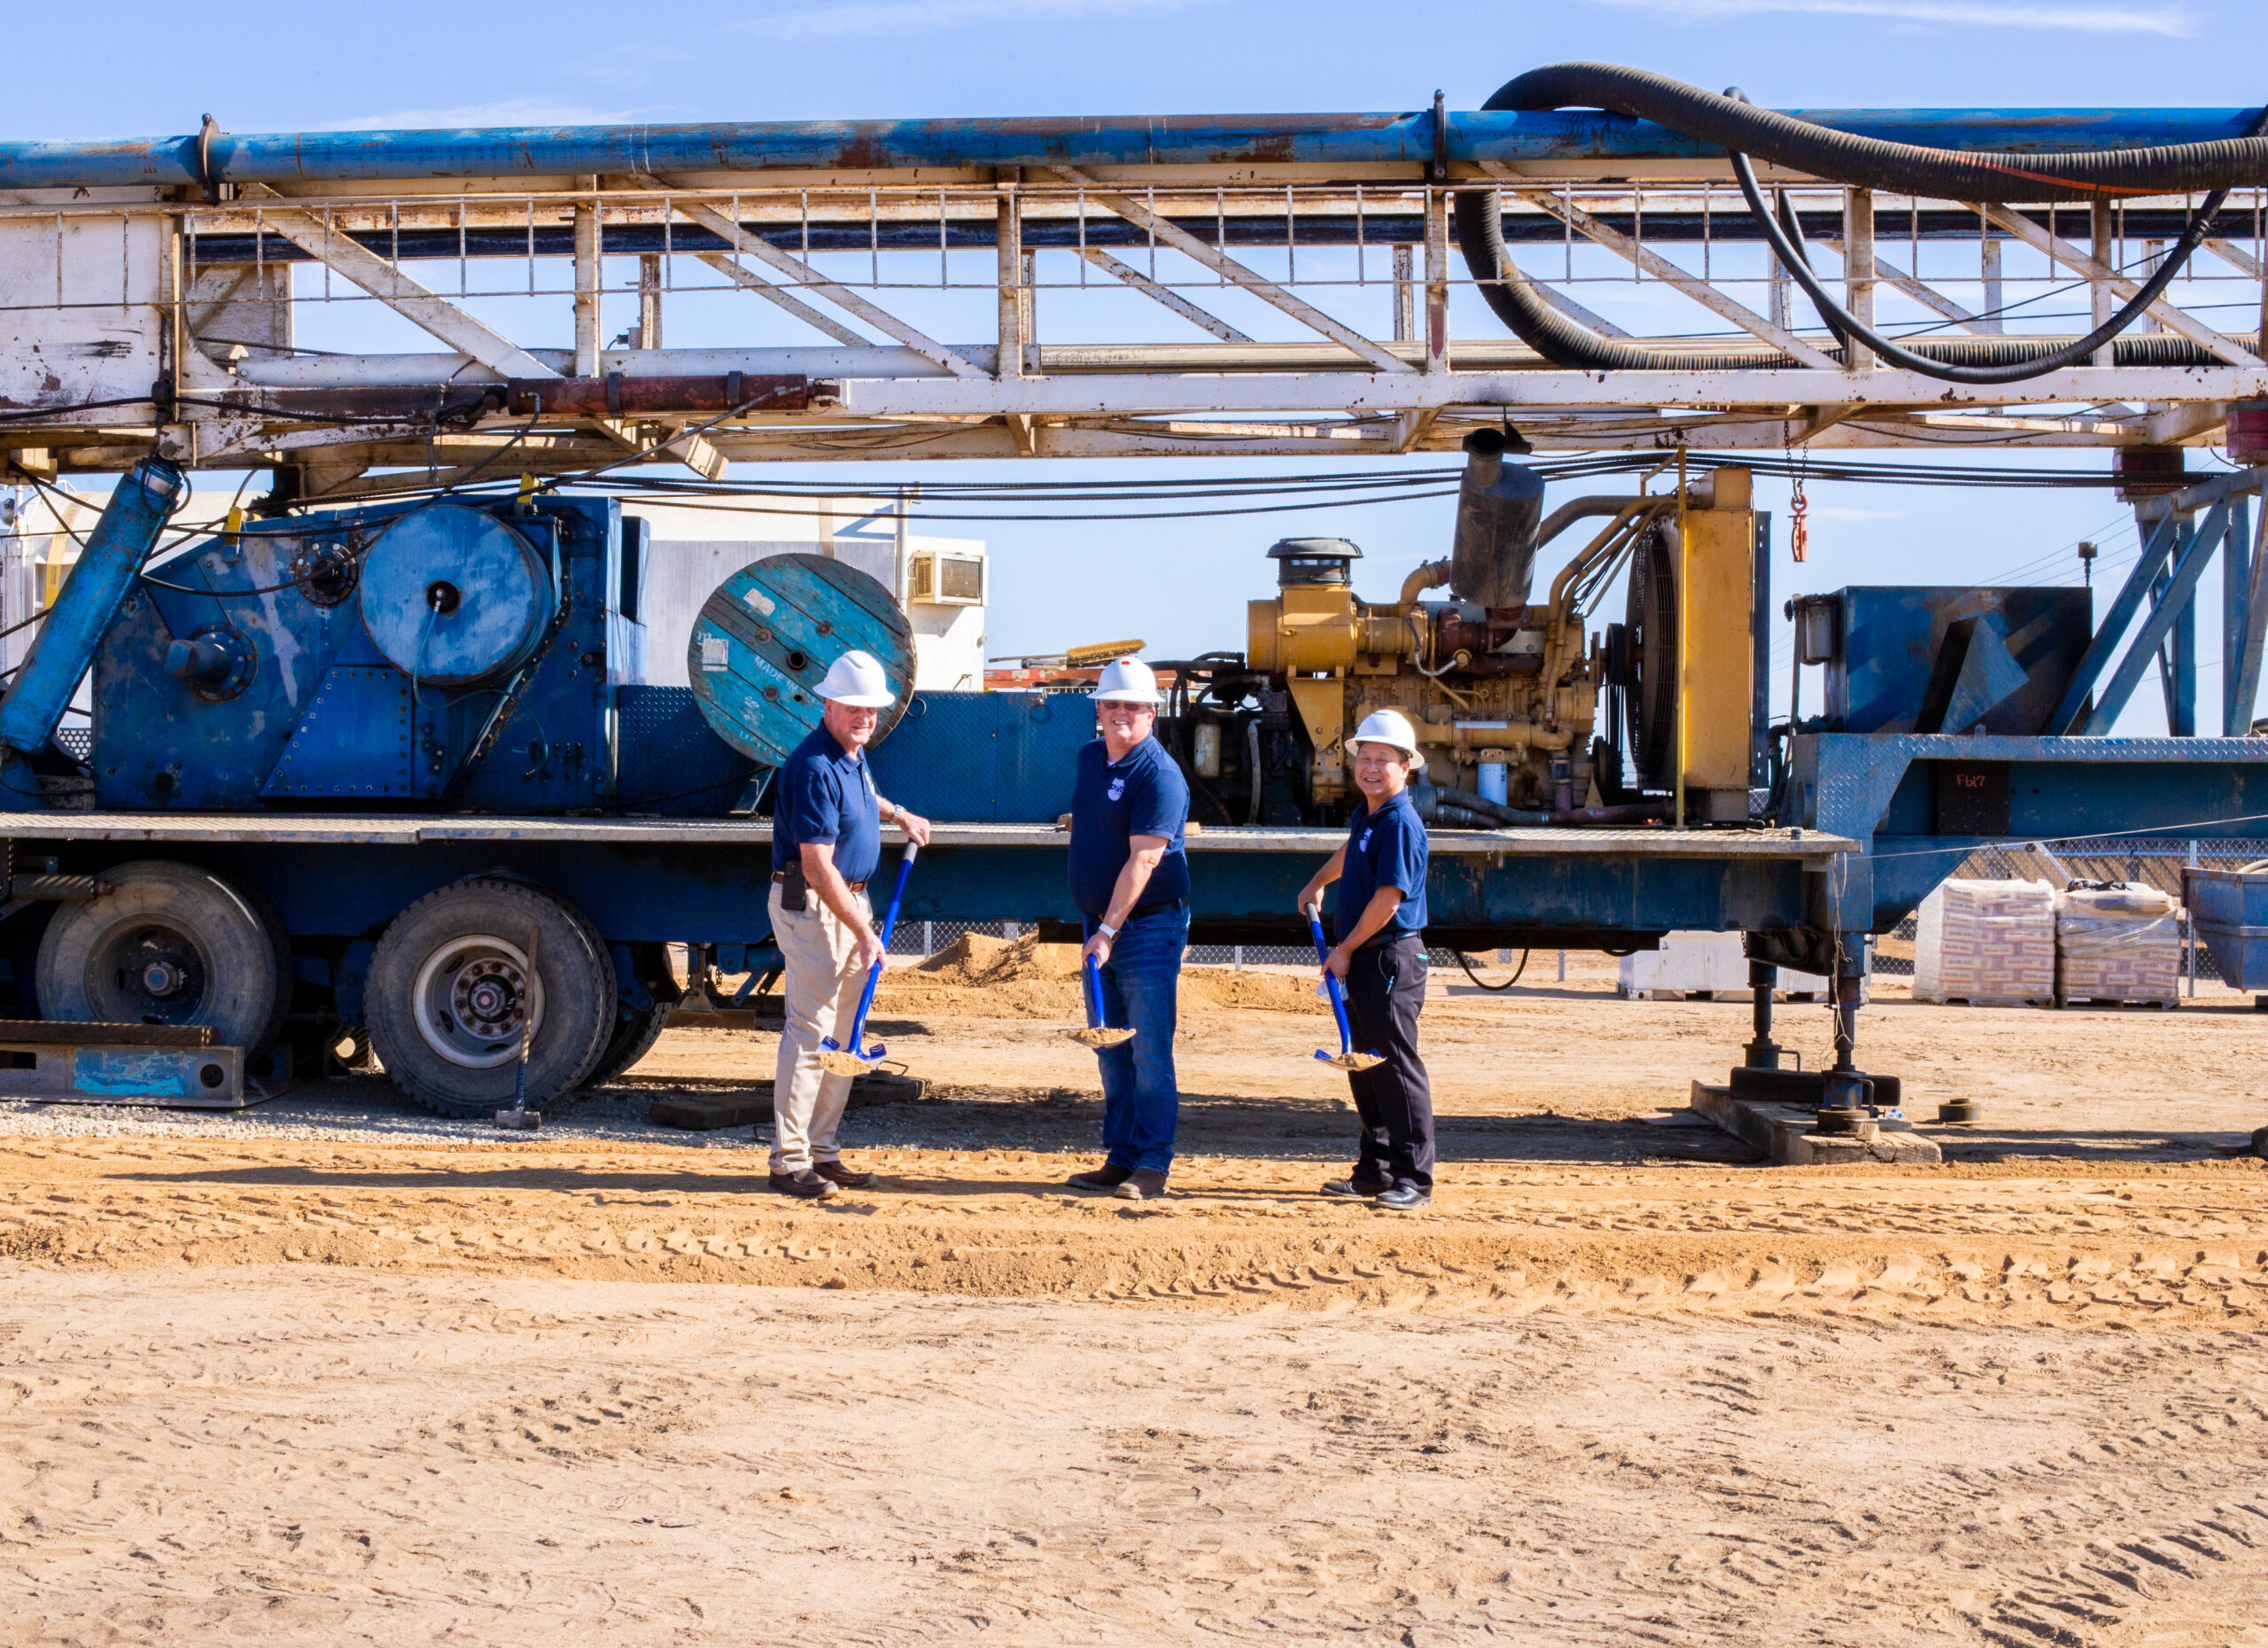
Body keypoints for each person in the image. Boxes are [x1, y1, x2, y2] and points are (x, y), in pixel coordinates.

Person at [766, 649, 930, 1199]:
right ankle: (788, 1162)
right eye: (854, 708)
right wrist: (863, 932)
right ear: (829, 704)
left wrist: (898, 813)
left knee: (846, 1033)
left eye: (872, 709)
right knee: (812, 1032)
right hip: (816, 906)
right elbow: (816, 865)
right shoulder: (813, 765)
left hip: (848, 904)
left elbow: (859, 800)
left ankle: (822, 1151)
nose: (865, 718)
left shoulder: (850, 756)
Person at [1294, 709, 1434, 1210]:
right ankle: (1374, 1172)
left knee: (1394, 1067)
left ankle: (1413, 1179)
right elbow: (1353, 850)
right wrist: (1318, 883)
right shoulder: (1370, 815)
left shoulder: (1399, 821)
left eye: (1384, 759)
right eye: (1365, 757)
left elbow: (1388, 900)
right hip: (1366, 957)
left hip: (1387, 958)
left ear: (1405, 767)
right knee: (1365, 1065)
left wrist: (1345, 950)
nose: (1371, 767)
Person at [1063, 657, 1192, 1201]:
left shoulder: (1158, 775)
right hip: (1102, 928)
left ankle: (1153, 1165)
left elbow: (1143, 862)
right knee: (1111, 1049)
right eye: (1111, 703)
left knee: (1149, 1053)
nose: (1120, 713)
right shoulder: (1091, 758)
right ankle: (1120, 1157)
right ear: (1098, 710)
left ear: (1152, 714)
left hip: (1143, 931)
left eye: (1132, 706)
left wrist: (1109, 929)